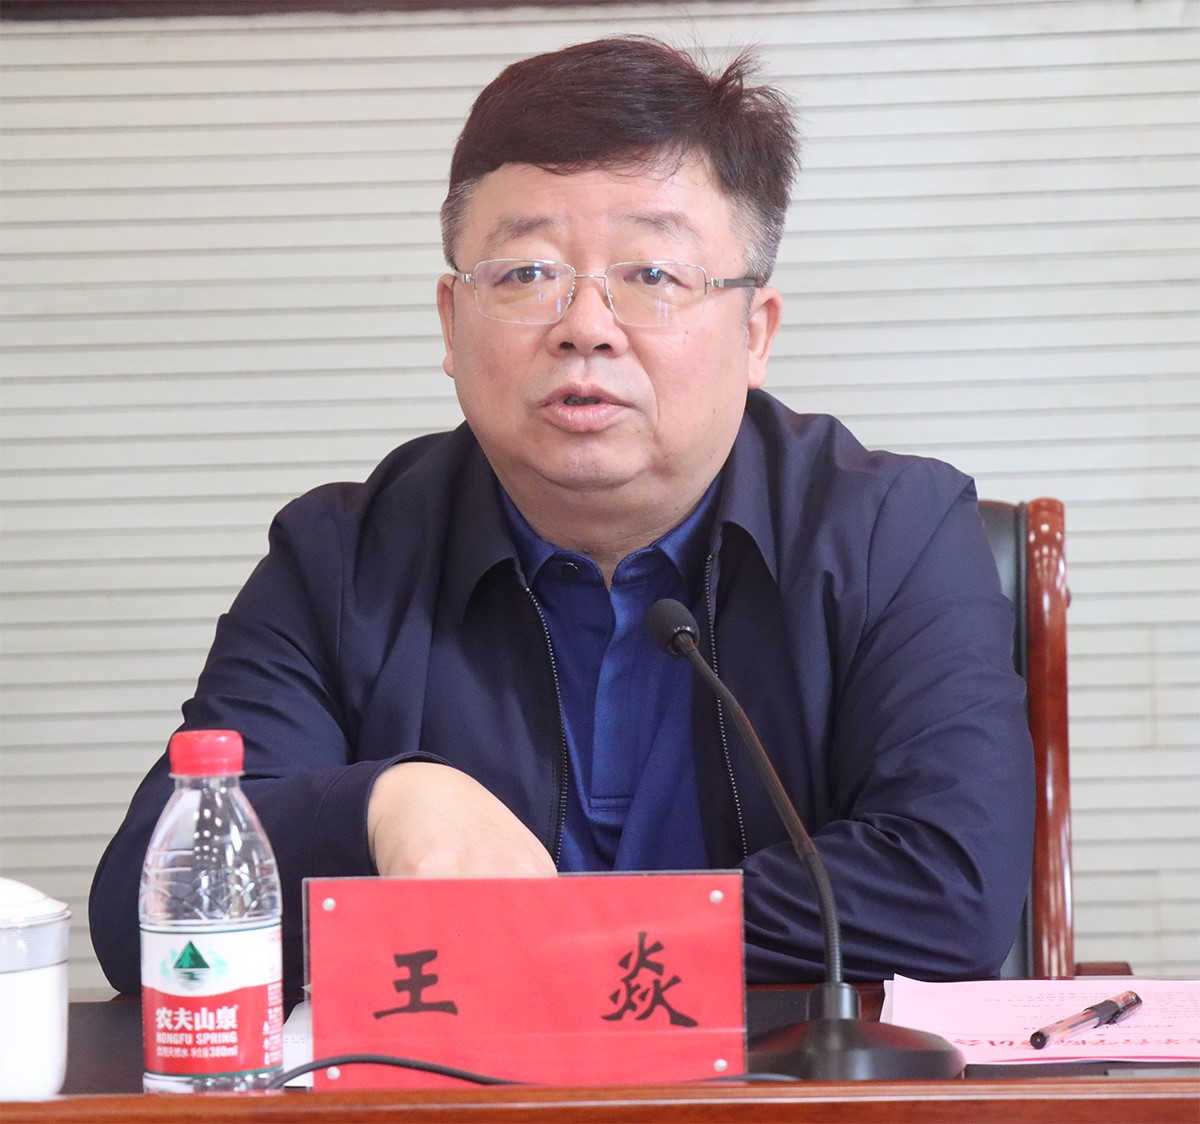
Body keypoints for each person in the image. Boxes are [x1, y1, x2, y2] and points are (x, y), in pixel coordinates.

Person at [89, 36, 1034, 996]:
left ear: (755, 333)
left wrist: (551, 932)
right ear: (450, 323)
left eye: (653, 276)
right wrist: (381, 804)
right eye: (525, 274)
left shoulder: (893, 534)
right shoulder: (341, 559)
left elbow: (949, 891)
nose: (586, 326)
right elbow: (144, 911)